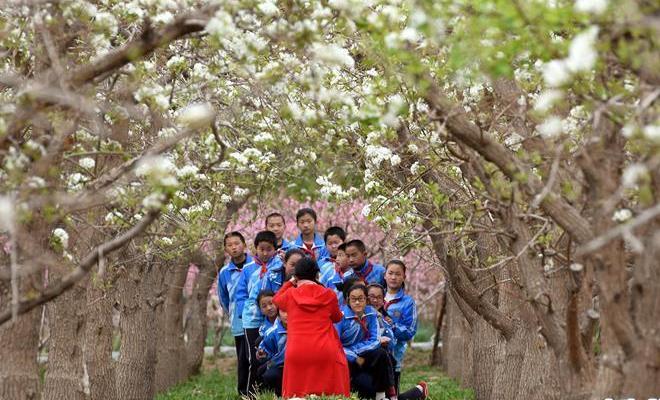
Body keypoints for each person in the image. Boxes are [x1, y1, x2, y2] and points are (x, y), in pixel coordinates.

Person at [272, 257, 350, 398]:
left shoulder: (290, 294)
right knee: (328, 394)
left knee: (297, 395)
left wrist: (289, 283)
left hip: (297, 351)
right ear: (316, 275)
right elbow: (337, 318)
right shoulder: (328, 294)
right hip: (325, 350)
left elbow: (276, 299)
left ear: (296, 276)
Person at [336, 284, 398, 400]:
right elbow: (336, 346)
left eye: (361, 299)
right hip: (348, 360)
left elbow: (375, 340)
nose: (357, 303)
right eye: (354, 299)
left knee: (382, 354)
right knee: (367, 389)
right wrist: (354, 356)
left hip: (362, 357)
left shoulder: (371, 313)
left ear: (366, 300)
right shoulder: (340, 317)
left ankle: (384, 395)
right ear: (348, 300)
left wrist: (355, 350)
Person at [239, 230, 282, 396]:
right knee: (253, 360)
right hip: (252, 320)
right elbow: (241, 294)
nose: (265, 253)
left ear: (275, 249)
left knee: (271, 354)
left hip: (272, 319)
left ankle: (268, 392)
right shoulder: (248, 268)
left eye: (269, 249)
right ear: (255, 248)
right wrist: (246, 311)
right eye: (261, 249)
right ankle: (250, 394)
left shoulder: (278, 266)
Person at [368, 284, 428, 400]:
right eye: (371, 296)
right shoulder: (362, 316)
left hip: (387, 366)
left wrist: (387, 328)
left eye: (379, 297)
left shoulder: (385, 320)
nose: (375, 300)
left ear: (383, 299)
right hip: (368, 365)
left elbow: (393, 341)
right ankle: (419, 390)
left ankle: (419, 390)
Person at [217, 231, 255, 397]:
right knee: (243, 358)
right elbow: (223, 298)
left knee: (256, 356)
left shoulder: (255, 265)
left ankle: (259, 390)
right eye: (229, 245)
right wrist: (233, 314)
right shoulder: (225, 272)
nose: (234, 247)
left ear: (244, 245)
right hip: (238, 322)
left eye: (237, 243)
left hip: (256, 320)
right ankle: (243, 393)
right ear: (226, 249)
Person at [384, 260, 419, 395]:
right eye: (390, 273)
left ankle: (418, 392)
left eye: (398, 274)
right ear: (384, 275)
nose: (393, 277)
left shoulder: (408, 302)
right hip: (374, 354)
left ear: (404, 277)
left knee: (392, 395)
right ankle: (419, 392)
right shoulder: (376, 296)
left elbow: (410, 331)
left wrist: (391, 326)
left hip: (394, 356)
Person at [256, 308, 288, 396]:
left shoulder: (303, 329)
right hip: (280, 366)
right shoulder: (272, 332)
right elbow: (265, 351)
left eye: (291, 310)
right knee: (269, 375)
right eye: (284, 311)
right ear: (278, 314)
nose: (287, 314)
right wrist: (262, 354)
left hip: (299, 366)